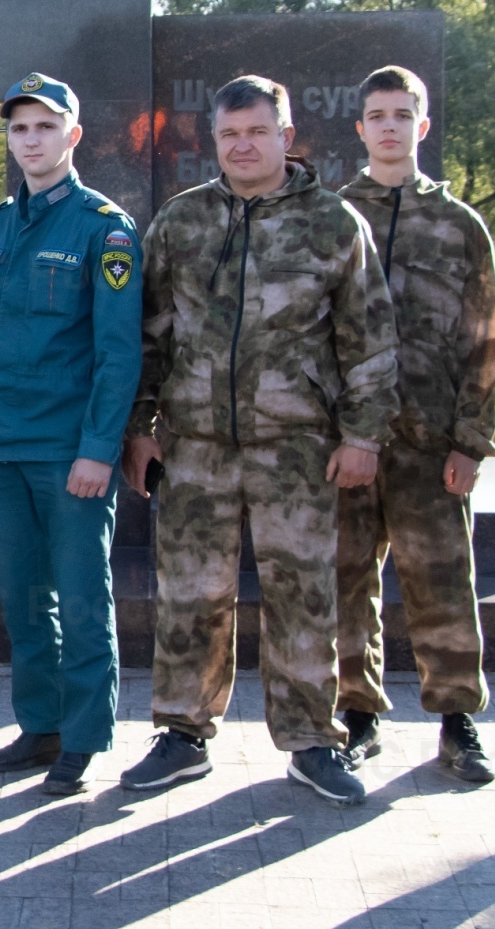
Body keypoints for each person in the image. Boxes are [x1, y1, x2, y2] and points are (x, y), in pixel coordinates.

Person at [120, 75, 399, 806]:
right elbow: (148, 337)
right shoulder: (182, 223)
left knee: (302, 597)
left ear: (286, 134)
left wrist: (364, 435)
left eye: (257, 131)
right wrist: (140, 429)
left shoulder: (335, 225)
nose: (243, 146)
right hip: (196, 447)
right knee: (189, 596)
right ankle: (182, 734)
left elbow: (370, 343)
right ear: (214, 141)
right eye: (229, 135)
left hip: (297, 449)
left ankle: (312, 741)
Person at [0, 73, 141, 795]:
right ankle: (40, 726)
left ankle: (85, 737)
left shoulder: (105, 227)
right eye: (18, 128)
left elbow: (119, 351)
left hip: (70, 455)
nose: (30, 140)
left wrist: (100, 449)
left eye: (44, 126)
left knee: (81, 596)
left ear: (73, 135)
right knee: (24, 600)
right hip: (3, 450)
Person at [334, 66, 495, 784]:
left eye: (403, 114)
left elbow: (486, 337)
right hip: (347, 442)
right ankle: (358, 714)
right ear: (361, 128)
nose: (390, 126)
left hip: (431, 442)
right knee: (345, 578)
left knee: (440, 580)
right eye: (377, 115)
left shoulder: (459, 225)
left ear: (422, 126)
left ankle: (457, 721)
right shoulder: (332, 214)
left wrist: (472, 440)